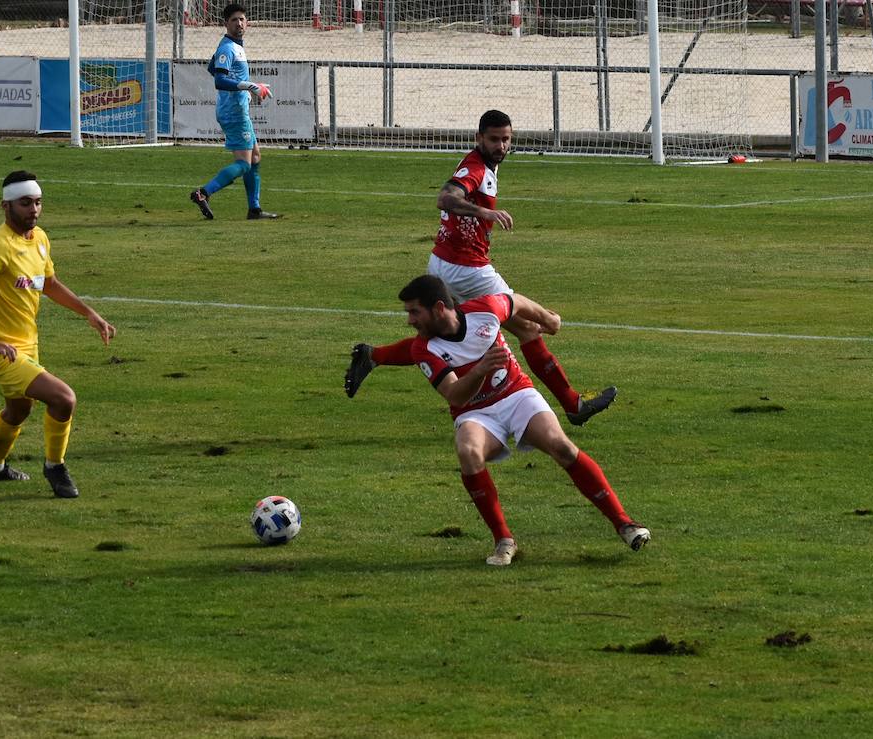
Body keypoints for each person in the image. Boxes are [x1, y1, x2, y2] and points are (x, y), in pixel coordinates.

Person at [344, 109, 615, 427]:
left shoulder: (483, 165)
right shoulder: (474, 168)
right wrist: (483, 213)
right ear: (478, 139)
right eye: (494, 139)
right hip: (468, 271)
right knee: (528, 328)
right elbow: (445, 198)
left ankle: (372, 355)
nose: (501, 146)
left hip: (446, 263)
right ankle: (573, 405)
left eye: (506, 139)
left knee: (441, 333)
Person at [392, 274, 649, 566]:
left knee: (560, 446)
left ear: (439, 308)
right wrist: (479, 371)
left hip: (516, 394)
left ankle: (625, 524)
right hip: (474, 412)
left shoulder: (485, 309)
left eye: (415, 312)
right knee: (468, 452)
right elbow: (455, 396)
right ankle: (504, 541)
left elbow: (515, 303)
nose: (410, 321)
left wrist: (548, 320)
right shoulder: (423, 349)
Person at [0, 171, 116, 499]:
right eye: (25, 203)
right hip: (0, 353)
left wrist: (89, 313)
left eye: (38, 202)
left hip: (27, 345)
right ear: (6, 205)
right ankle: (55, 466)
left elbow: (50, 284)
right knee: (64, 398)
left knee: (18, 412)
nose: (34, 209)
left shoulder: (39, 238)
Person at [188, 3, 279, 221]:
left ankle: (254, 210)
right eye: (234, 20)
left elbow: (213, 68)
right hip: (234, 111)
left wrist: (249, 84)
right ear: (226, 23)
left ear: (247, 22)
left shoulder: (233, 46)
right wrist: (249, 86)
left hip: (236, 108)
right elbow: (219, 80)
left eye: (242, 19)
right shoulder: (228, 47)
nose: (239, 23)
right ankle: (203, 193)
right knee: (243, 163)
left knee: (255, 157)